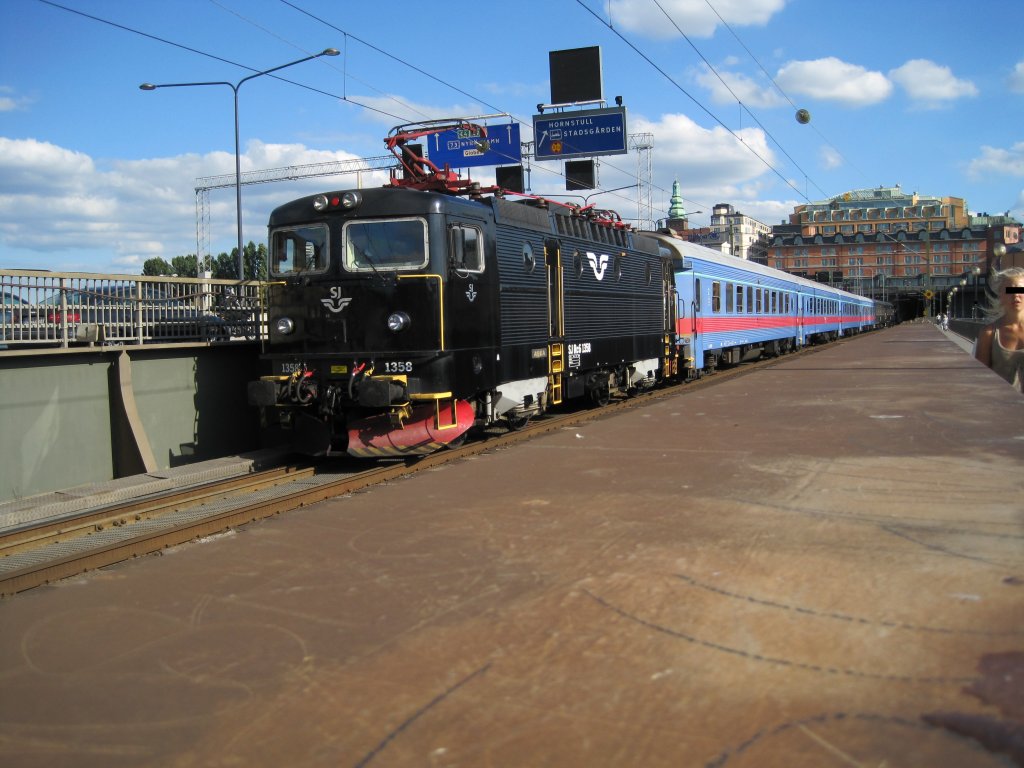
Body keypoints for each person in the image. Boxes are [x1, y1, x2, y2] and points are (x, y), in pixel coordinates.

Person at [974, 267, 1024, 393]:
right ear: (1001, 296)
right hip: (1001, 407)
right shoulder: (989, 333)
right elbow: (980, 380)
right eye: (1010, 291)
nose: (1016, 295)